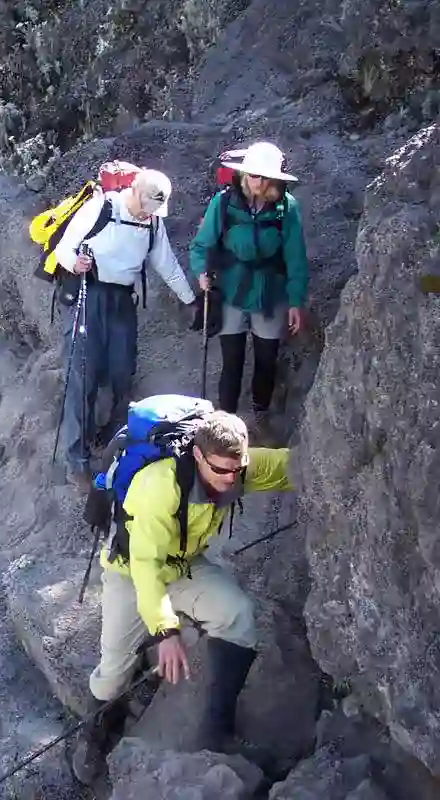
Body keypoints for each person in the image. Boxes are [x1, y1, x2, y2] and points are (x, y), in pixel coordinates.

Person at [71, 410, 294, 783]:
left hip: (183, 564)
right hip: (132, 571)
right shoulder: (158, 487)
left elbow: (294, 466)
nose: (230, 480)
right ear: (197, 456)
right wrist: (164, 631)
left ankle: (216, 732)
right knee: (112, 674)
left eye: (237, 470)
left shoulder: (237, 467)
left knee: (237, 615)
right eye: (220, 471)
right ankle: (93, 735)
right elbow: (145, 569)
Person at [53, 169, 196, 489]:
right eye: (146, 207)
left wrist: (190, 299)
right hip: (89, 295)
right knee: (83, 376)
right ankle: (76, 460)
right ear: (133, 190)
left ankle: (108, 435)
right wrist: (75, 263)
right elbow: (63, 249)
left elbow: (167, 264)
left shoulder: (152, 223)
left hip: (122, 301)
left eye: (154, 211)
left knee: (122, 372)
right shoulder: (101, 209)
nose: (148, 215)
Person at [188, 142, 308, 443]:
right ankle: (223, 425)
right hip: (231, 290)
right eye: (253, 174)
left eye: (263, 176)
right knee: (232, 359)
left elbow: (296, 257)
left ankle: (259, 415)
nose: (257, 181)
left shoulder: (286, 208)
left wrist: (295, 301)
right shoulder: (224, 202)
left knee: (267, 359)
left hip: (270, 294)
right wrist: (201, 272)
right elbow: (202, 244)